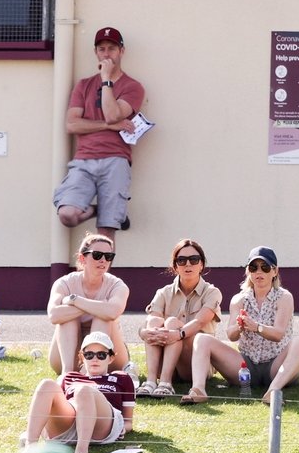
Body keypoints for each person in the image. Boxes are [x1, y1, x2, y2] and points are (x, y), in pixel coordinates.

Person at [182, 247, 299, 406]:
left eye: (265, 267)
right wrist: (239, 327)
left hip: (277, 365)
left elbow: (279, 334)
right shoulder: (239, 299)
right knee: (201, 339)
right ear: (248, 271)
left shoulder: (284, 297)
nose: (259, 272)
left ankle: (273, 391)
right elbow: (231, 335)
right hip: (246, 367)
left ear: (275, 271)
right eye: (253, 268)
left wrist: (257, 327)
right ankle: (198, 390)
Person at [53, 27, 146, 240]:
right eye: (101, 49)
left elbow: (113, 114)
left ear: (121, 51)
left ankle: (101, 271)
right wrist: (108, 126)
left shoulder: (133, 87)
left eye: (112, 49)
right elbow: (72, 125)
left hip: (116, 159)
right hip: (84, 160)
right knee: (68, 214)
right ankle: (98, 210)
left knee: (106, 231)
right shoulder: (84, 85)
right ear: (96, 52)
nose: (106, 54)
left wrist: (106, 80)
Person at [22, 331, 136, 453]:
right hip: (70, 422)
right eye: (89, 355)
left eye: (101, 355)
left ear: (110, 358)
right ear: (82, 358)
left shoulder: (121, 378)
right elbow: (57, 406)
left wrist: (124, 429)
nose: (95, 359)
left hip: (103, 425)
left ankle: (81, 452)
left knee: (84, 391)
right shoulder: (69, 377)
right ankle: (30, 447)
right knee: (46, 384)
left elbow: (128, 421)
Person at [138, 239, 221, 398]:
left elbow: (199, 322)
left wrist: (177, 333)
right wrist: (144, 332)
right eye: (181, 260)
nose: (188, 264)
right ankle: (150, 382)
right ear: (175, 266)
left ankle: (166, 383)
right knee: (153, 322)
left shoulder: (212, 292)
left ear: (201, 265)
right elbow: (151, 321)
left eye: (194, 260)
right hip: (169, 362)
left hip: (196, 365)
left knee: (172, 323)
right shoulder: (163, 292)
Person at [48, 233, 129, 376]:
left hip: (108, 358)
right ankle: (67, 375)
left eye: (108, 256)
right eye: (97, 255)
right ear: (82, 258)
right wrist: (100, 305)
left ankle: (88, 375)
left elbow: (112, 312)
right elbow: (54, 315)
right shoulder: (64, 283)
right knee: (67, 318)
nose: (103, 260)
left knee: (103, 318)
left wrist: (75, 301)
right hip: (67, 355)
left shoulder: (117, 285)